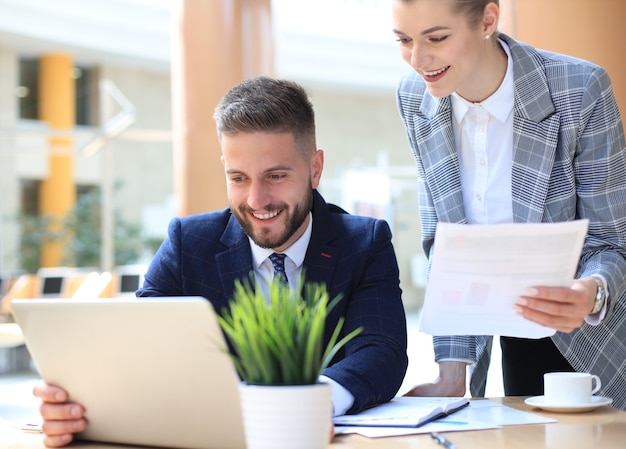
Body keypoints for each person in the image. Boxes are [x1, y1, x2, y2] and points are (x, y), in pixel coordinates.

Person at [32, 76, 409, 447]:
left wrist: (307, 404)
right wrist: (77, 407)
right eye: (238, 178)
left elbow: (381, 352)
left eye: (276, 176)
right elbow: (145, 350)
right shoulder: (188, 242)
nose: (257, 200)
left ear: (315, 168)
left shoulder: (364, 242)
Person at [392, 0, 626, 409]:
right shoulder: (416, 99)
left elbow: (611, 240)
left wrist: (592, 293)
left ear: (488, 20)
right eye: (404, 40)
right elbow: (444, 245)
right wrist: (451, 373)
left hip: (587, 336)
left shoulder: (579, 88)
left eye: (437, 38)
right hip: (502, 326)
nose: (418, 59)